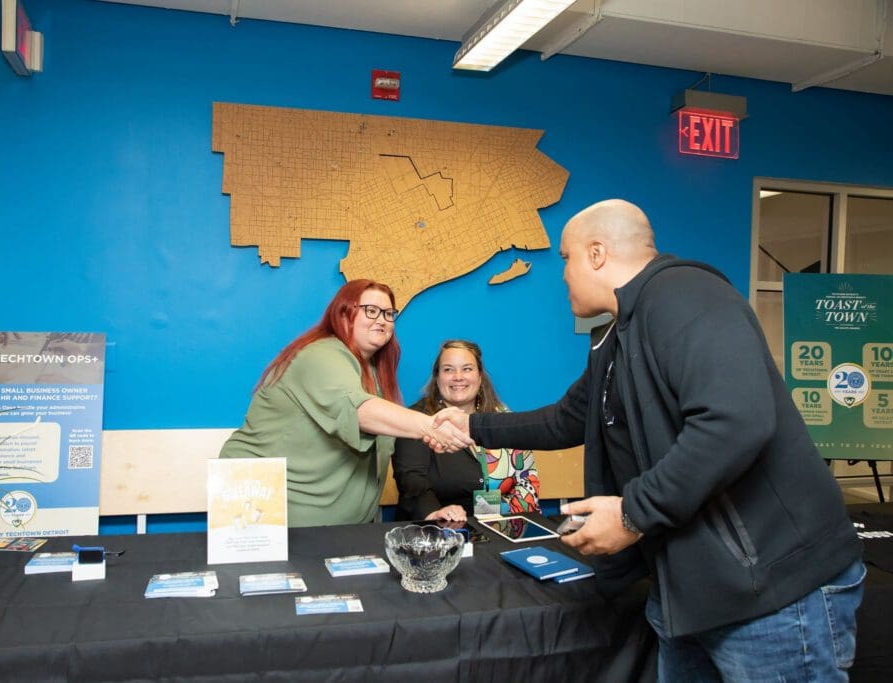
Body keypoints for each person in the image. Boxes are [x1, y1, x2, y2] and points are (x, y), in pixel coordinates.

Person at [433, 199, 864, 680]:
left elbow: (734, 421)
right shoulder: (617, 334)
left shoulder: (686, 295)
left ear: (597, 253)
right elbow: (565, 420)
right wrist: (469, 425)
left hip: (770, 592)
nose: (563, 276)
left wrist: (633, 513)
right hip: (688, 591)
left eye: (566, 259)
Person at [220, 279, 471, 528]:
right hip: (265, 512)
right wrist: (433, 426)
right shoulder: (321, 355)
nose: (382, 319)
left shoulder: (372, 371)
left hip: (340, 533)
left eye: (388, 313)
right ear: (344, 314)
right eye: (371, 311)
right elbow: (360, 410)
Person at [392, 339, 540, 522]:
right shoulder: (418, 419)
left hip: (499, 530)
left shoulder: (502, 418)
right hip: (437, 530)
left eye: (467, 369)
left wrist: (517, 529)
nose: (458, 376)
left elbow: (526, 478)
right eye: (448, 369)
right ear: (437, 377)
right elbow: (411, 479)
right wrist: (434, 513)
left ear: (479, 377)